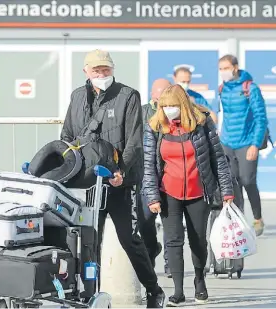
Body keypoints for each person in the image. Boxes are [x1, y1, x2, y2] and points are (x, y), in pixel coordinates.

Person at [61, 49, 165, 308]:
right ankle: (89, 295)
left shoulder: (128, 96)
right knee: (88, 243)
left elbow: (134, 141)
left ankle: (154, 291)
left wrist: (121, 171)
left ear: (113, 69)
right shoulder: (77, 97)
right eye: (96, 70)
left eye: (105, 69)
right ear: (86, 71)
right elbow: (67, 136)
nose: (101, 74)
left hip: (120, 183)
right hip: (87, 184)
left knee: (129, 239)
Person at [142, 85, 234, 306]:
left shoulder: (202, 123)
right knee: (173, 241)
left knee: (198, 241)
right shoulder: (154, 126)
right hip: (168, 192)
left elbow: (218, 158)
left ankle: (200, 279)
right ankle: (178, 290)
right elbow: (148, 165)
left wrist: (227, 191)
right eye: (164, 106)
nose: (169, 110)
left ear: (182, 104)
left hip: (198, 191)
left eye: (173, 105)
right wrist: (152, 196)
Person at [213, 54, 268, 236]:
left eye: (225, 68)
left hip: (246, 142)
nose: (223, 72)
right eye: (220, 69)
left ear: (235, 68)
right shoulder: (222, 88)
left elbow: (261, 119)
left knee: (247, 181)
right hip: (227, 142)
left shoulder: (250, 88)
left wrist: (255, 144)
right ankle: (239, 221)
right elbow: (222, 114)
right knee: (232, 183)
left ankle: (258, 218)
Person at [140, 78, 171, 276]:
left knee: (170, 222)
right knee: (145, 221)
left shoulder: (177, 111)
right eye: (160, 97)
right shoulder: (141, 113)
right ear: (153, 96)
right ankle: (151, 250)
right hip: (147, 175)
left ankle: (170, 263)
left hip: (170, 175)